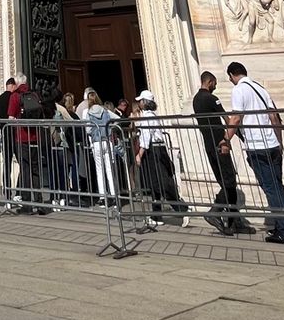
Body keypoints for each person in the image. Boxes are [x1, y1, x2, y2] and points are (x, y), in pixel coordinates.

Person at [224, 62, 284, 244]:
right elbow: (275, 116)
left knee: (271, 189)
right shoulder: (260, 88)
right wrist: (279, 143)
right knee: (277, 187)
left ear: (231, 75)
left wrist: (225, 139)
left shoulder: (239, 90)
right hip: (272, 144)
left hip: (257, 146)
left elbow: (235, 117)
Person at [192, 71, 252, 235]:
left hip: (209, 144)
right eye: (215, 83)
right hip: (220, 143)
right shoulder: (211, 99)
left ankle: (233, 221)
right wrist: (237, 134)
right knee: (229, 180)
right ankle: (215, 211)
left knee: (225, 181)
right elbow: (226, 117)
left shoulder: (196, 99)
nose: (216, 86)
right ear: (210, 82)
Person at [133, 90, 190, 227]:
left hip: (153, 151)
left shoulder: (147, 117)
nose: (139, 103)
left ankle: (181, 209)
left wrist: (139, 154)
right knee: (155, 185)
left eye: (141, 101)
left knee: (161, 182)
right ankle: (156, 215)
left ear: (144, 102)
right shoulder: (153, 115)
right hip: (159, 149)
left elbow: (146, 137)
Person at [7, 73, 49, 215]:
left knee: (25, 171)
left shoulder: (15, 96)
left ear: (17, 83)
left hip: (21, 138)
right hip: (35, 137)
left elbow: (11, 118)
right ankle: (39, 203)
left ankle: (26, 205)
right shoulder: (35, 95)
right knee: (36, 170)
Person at [82, 89, 122, 208]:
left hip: (96, 142)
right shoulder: (105, 110)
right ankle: (115, 197)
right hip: (107, 141)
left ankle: (103, 197)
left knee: (100, 171)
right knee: (110, 169)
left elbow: (88, 129)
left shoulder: (87, 112)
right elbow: (118, 119)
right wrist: (110, 128)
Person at [0, 76, 18, 203]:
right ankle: (19, 190)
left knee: (6, 163)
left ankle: (7, 190)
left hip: (5, 133)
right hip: (15, 134)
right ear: (13, 86)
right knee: (24, 162)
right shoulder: (14, 97)